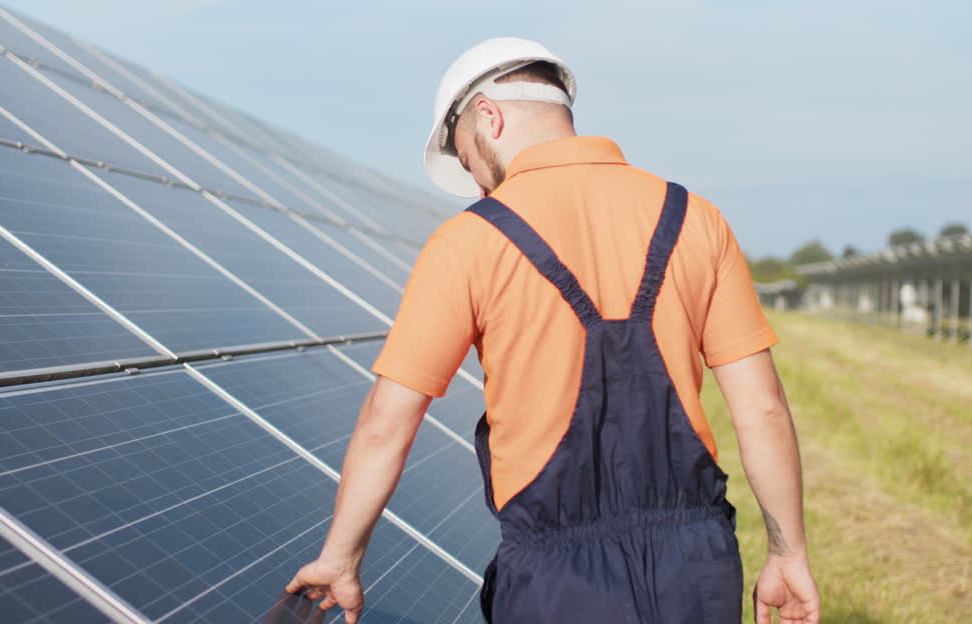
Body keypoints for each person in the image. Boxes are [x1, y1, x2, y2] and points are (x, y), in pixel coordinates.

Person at [286, 37, 819, 623]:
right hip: (696, 568)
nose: (481, 187)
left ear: (488, 116)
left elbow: (388, 422)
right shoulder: (695, 217)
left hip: (557, 582)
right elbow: (763, 408)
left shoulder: (468, 242)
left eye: (468, 160)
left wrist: (342, 556)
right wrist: (787, 553)